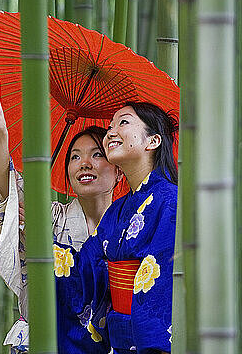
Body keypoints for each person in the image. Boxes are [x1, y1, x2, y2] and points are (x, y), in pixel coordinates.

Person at [0, 80, 122, 353]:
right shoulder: (47, 216)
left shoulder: (128, 225)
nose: (84, 163)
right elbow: (7, 191)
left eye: (97, 154)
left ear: (118, 170)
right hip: (40, 343)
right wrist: (0, 136)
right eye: (75, 157)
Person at [80, 101, 179, 354]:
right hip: (117, 342)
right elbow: (84, 269)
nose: (110, 132)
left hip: (149, 341)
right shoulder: (117, 210)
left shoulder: (170, 201)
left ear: (153, 141)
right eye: (110, 126)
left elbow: (161, 290)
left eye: (123, 122)